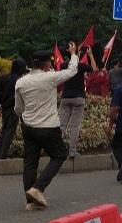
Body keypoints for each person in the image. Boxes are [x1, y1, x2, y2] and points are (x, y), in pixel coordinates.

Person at [15, 44, 79, 211]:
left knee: (30, 163)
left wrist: (25, 117)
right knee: (59, 155)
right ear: (45, 64)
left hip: (28, 126)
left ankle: (30, 201)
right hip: (48, 127)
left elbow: (18, 109)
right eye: (49, 62)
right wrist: (73, 54)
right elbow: (71, 71)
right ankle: (38, 188)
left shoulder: (21, 82)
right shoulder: (50, 78)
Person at [58, 45, 93, 158]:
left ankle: (56, 149)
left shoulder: (63, 65)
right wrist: (90, 55)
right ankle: (72, 151)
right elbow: (94, 69)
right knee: (75, 126)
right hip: (79, 97)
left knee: (62, 125)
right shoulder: (81, 66)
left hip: (66, 97)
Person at [0, 58, 28, 159]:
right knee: (10, 131)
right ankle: (3, 154)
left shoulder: (4, 78)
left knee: (4, 129)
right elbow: (18, 95)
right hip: (14, 108)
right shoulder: (19, 80)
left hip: (4, 108)